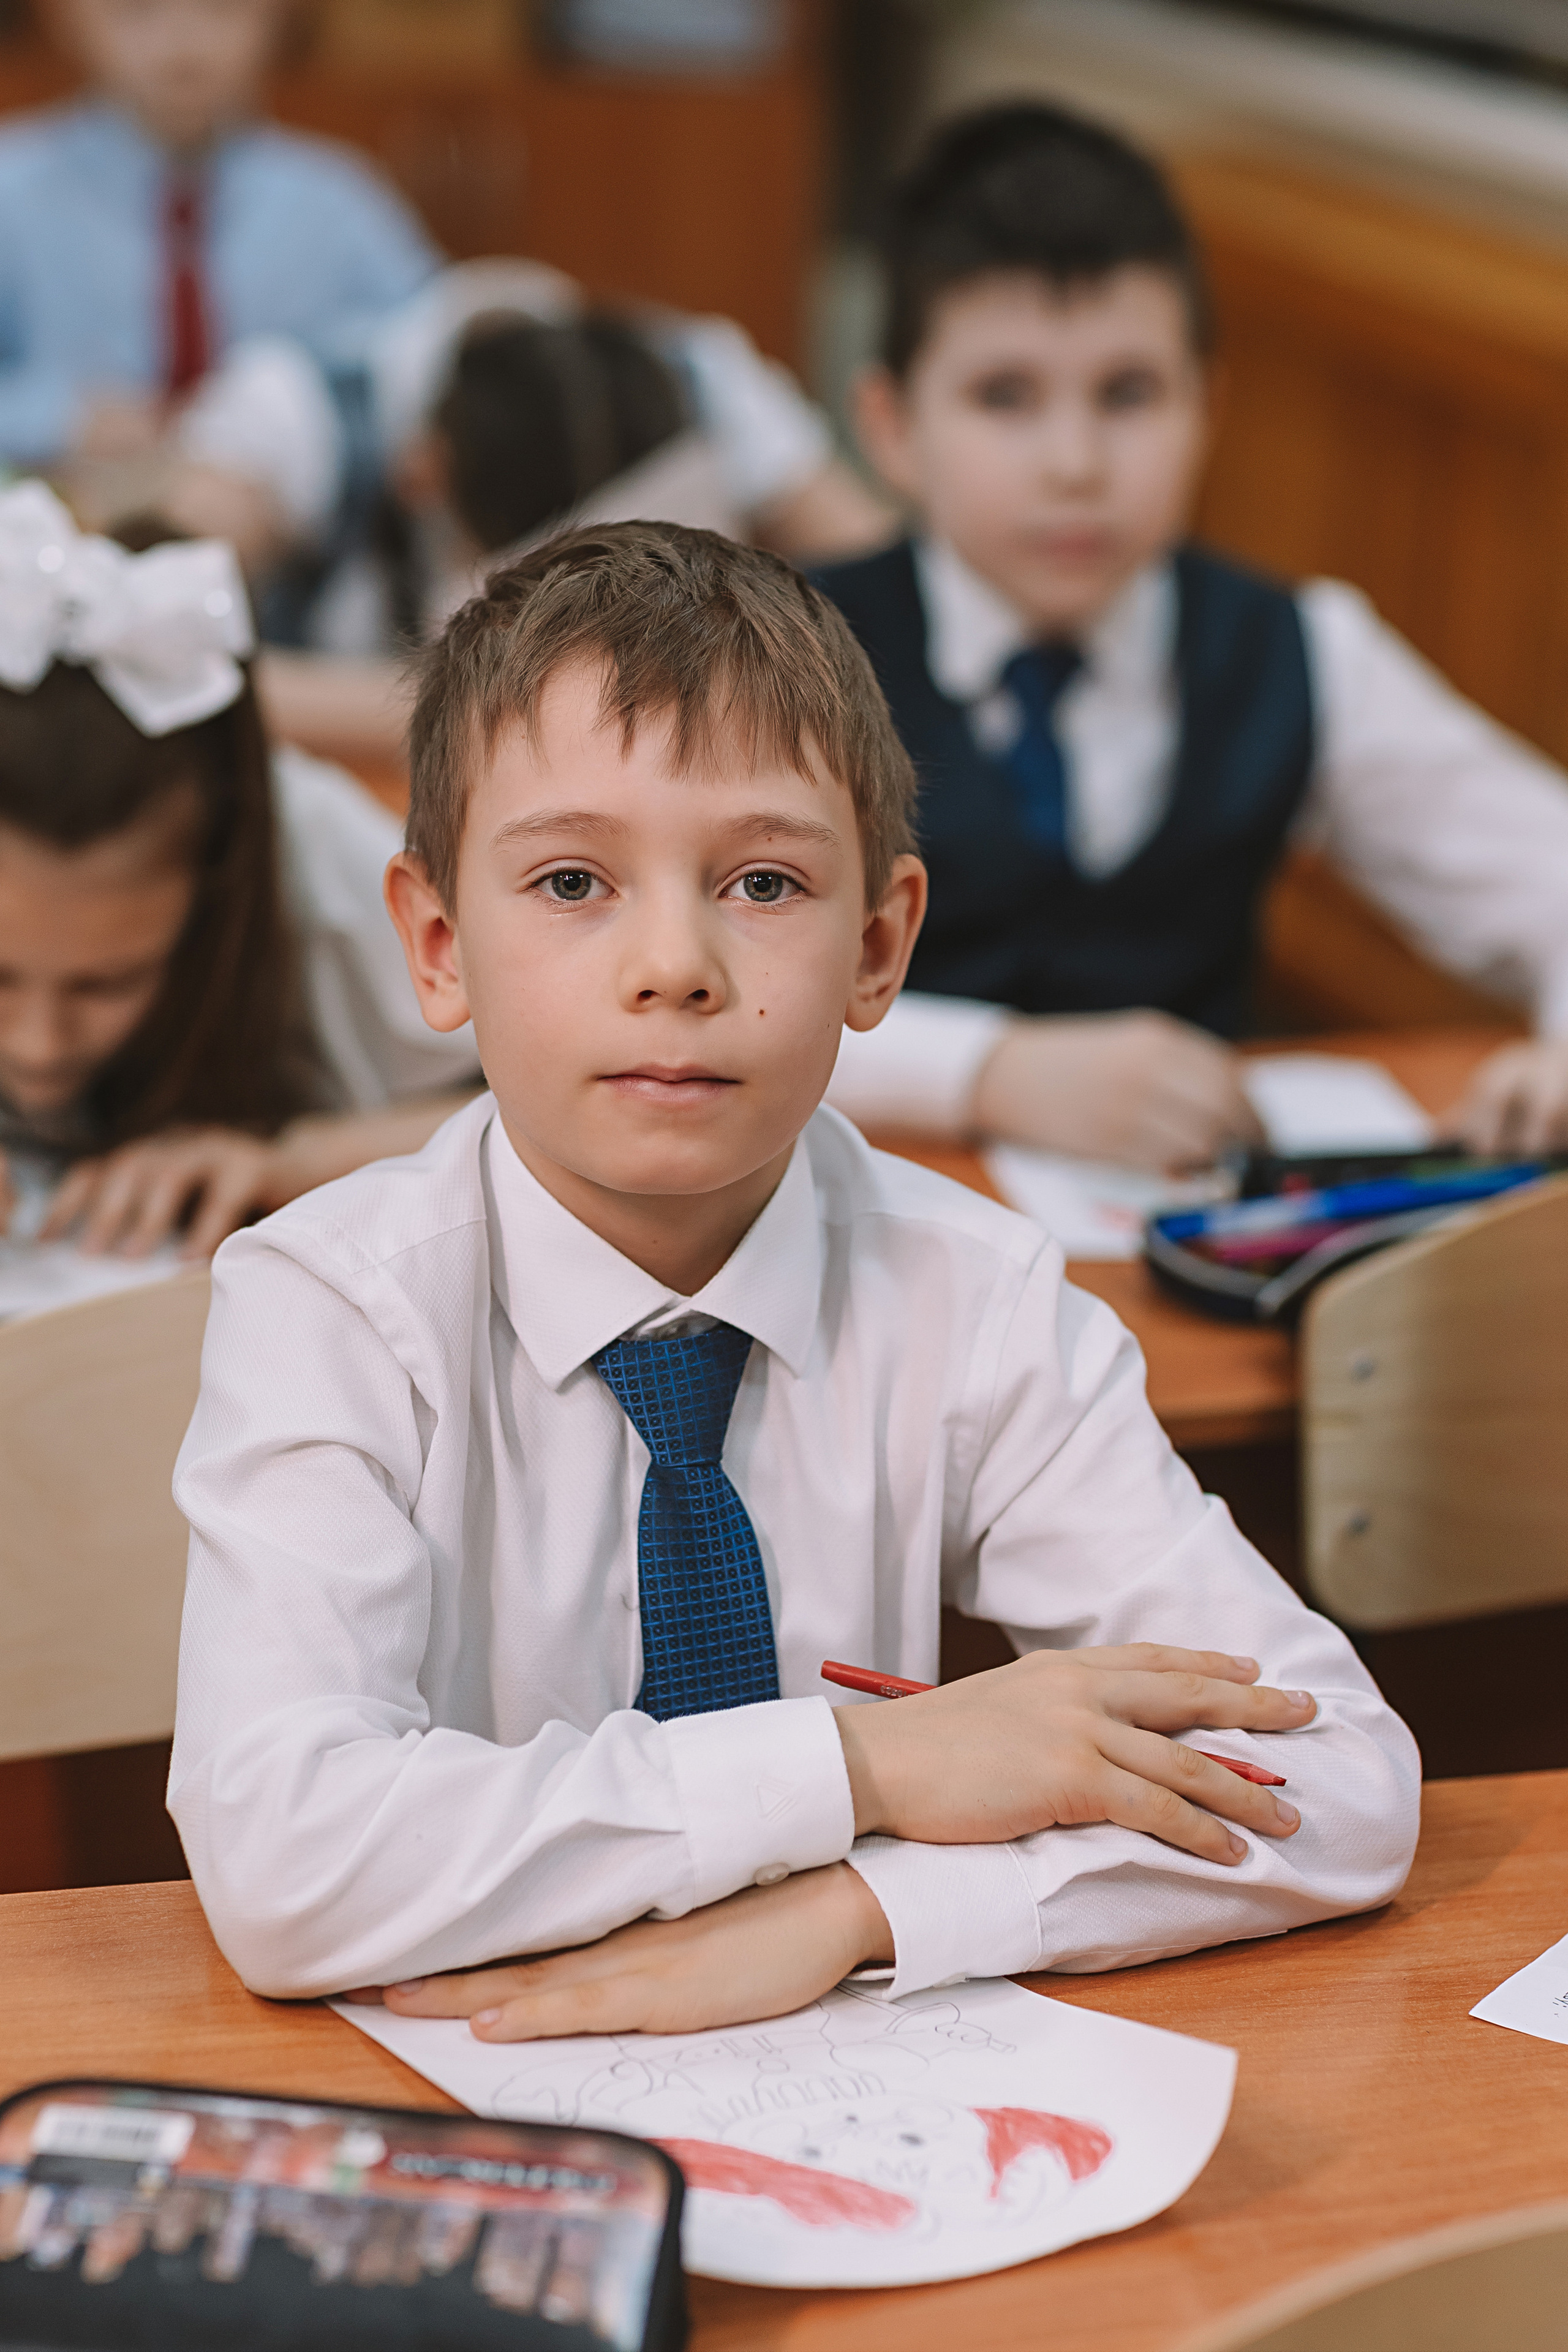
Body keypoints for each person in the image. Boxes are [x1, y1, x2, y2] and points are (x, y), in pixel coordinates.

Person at [169, 521, 1417, 2034]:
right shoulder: (328, 1304)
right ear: (438, 945)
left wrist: (867, 1904)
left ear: (879, 945)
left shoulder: (975, 1292)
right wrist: (865, 1768)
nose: (675, 963)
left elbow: (1341, 1777)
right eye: (572, 882)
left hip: (855, 2084)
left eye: (762, 883)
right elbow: (286, 1858)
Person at [814, 103, 1568, 1170]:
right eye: (1006, 396)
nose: (1075, 462)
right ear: (892, 426)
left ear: (1205, 409)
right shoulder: (784, 655)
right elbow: (669, 996)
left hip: (1179, 1256)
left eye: (1129, 394)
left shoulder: (1299, 648)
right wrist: (990, 1068)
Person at [0, 481, 478, 1258]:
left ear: (224, 879)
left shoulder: (321, 856)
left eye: (107, 982)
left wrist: (298, 1160)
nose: (38, 1045)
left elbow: (582, 1107)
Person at [252, 258, 898, 754]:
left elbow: (900, 596)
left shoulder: (711, 388)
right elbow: (168, 646)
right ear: (424, 474)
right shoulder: (294, 415)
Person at [0, 0, 436, 472]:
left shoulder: (340, 200)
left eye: (223, 9)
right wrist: (57, 420)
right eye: (137, 10)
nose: (183, 48)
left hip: (289, 531)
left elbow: (441, 355)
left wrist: (295, 428)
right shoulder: (12, 190)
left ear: (278, 16)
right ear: (70, 19)